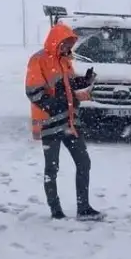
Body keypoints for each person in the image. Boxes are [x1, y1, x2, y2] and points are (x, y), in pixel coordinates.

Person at [25, 22, 102, 220]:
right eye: (66, 43)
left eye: (70, 43)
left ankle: (83, 208)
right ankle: (55, 210)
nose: (69, 47)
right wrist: (54, 105)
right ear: (56, 41)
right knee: (52, 168)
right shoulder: (38, 60)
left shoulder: (66, 61)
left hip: (70, 122)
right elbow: (33, 92)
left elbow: (68, 85)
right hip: (50, 124)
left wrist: (84, 81)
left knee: (84, 162)